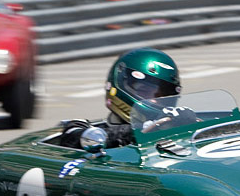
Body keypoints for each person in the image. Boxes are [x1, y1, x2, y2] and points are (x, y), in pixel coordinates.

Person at [59, 48, 196, 149]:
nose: (156, 100)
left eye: (164, 95)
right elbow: (71, 137)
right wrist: (139, 131)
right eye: (146, 91)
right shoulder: (81, 128)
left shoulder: (170, 124)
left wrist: (192, 124)